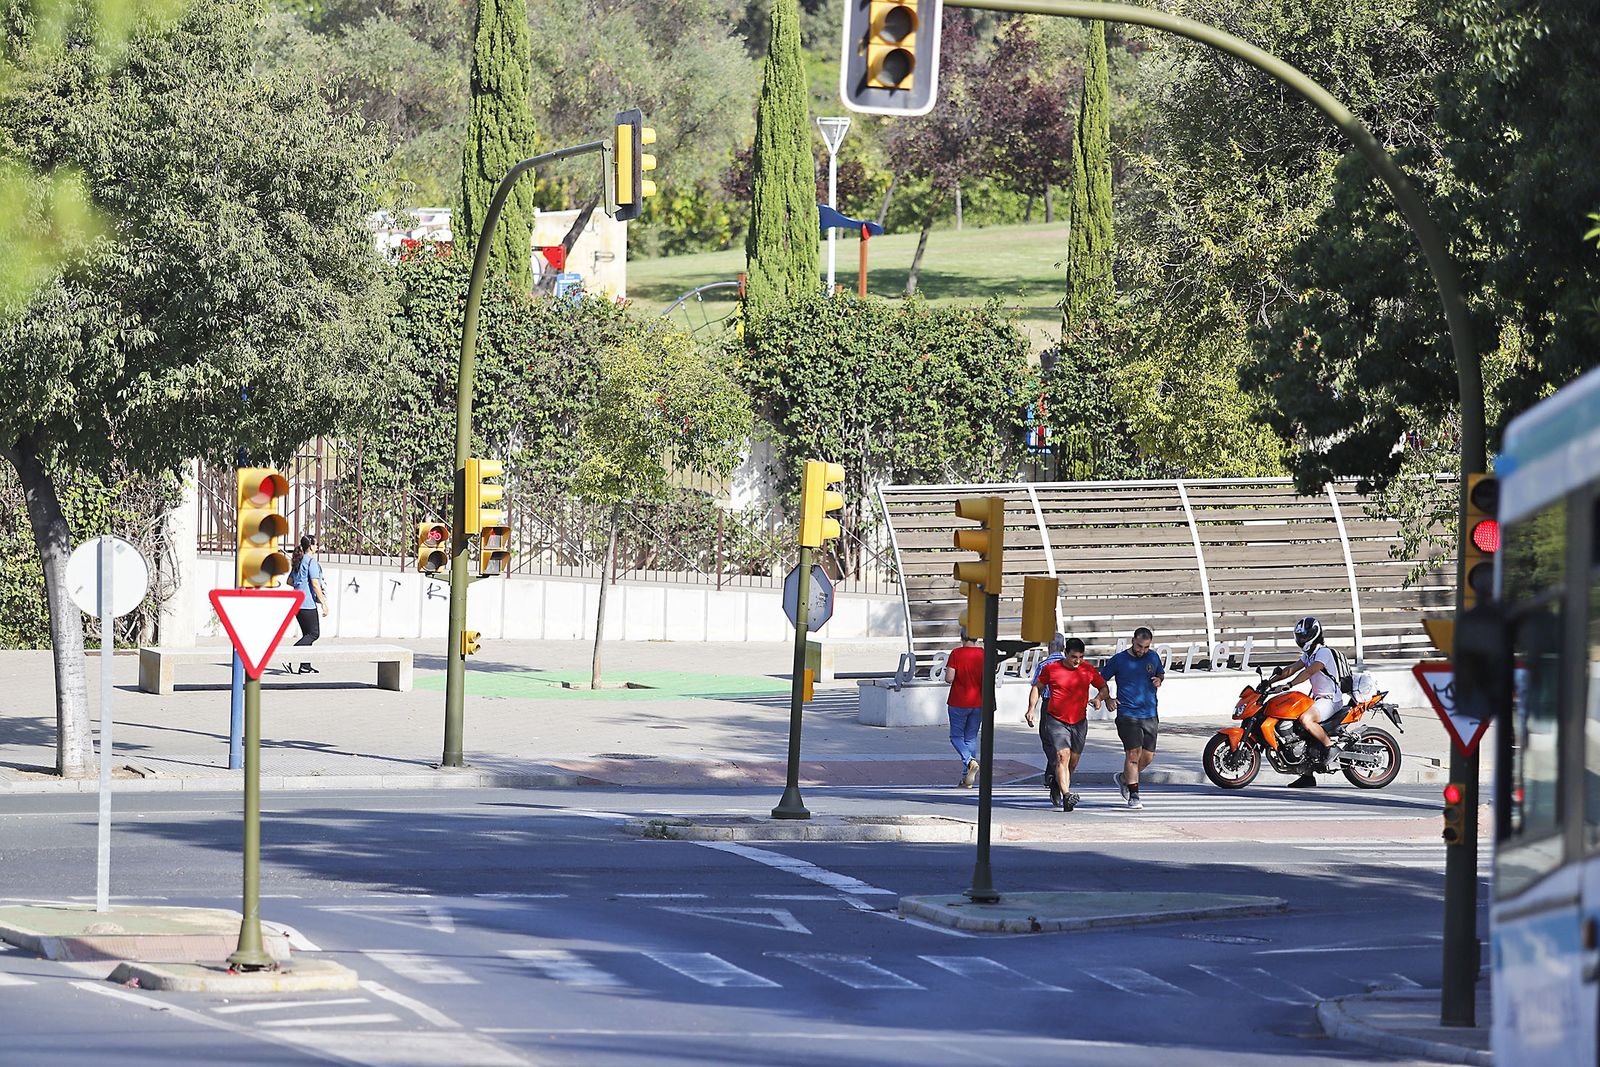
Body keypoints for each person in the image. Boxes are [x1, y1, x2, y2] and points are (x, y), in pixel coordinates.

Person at [1026, 637, 1110, 811]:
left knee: (1072, 762)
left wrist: (1099, 699)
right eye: (1073, 657)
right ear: (1065, 653)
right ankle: (1066, 795)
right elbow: (1037, 687)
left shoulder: (1087, 669)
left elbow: (1103, 687)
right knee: (1062, 756)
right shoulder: (1052, 669)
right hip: (1056, 719)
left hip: (1079, 721)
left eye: (1080, 656)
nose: (1077, 661)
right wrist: (1031, 708)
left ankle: (1057, 786)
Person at [1265, 616, 1344, 788]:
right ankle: (1307, 775)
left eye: (1304, 636)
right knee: (1297, 729)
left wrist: (1289, 685)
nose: (1301, 640)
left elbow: (1309, 672)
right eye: (1299, 636)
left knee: (1306, 720)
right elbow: (1291, 669)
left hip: (1331, 700)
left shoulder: (1323, 653)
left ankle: (1330, 747)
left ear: (1314, 634)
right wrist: (1269, 681)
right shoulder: (1308, 654)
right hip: (1317, 699)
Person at [1103, 626, 1165, 810]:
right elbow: (1100, 679)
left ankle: (1124, 778)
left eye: (1146, 647)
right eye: (1139, 646)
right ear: (1133, 641)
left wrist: (1159, 680)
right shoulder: (1119, 660)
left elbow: (1160, 672)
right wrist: (1107, 698)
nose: (1142, 651)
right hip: (1127, 714)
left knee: (1147, 757)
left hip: (1150, 713)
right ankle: (1134, 794)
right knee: (1133, 754)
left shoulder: (1153, 657)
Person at [942, 630, 984, 787]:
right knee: (970, 738)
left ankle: (969, 761)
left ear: (962, 638)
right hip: (978, 701)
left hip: (958, 700)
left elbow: (949, 678)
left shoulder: (956, 653)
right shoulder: (983, 653)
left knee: (956, 737)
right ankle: (967, 778)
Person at [285, 534, 329, 674]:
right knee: (314, 633)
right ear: (310, 546)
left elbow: (289, 581)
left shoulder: (298, 561)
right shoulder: (311, 562)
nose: (317, 547)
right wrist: (323, 603)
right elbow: (316, 584)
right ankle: (289, 657)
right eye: (316, 545)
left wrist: (301, 583)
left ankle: (305, 666)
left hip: (297, 603)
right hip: (307, 603)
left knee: (307, 634)